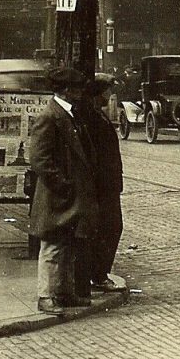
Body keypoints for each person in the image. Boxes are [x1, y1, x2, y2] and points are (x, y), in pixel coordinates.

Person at [29, 67, 98, 315]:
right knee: (52, 245)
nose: (80, 94)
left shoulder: (67, 114)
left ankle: (64, 292)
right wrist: (63, 185)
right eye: (77, 89)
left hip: (68, 195)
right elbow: (39, 159)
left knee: (67, 244)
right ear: (66, 91)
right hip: (57, 196)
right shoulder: (50, 117)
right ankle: (46, 296)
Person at [78, 76, 124, 293]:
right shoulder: (93, 116)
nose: (110, 95)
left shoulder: (96, 114)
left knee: (109, 228)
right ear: (99, 93)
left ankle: (97, 273)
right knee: (110, 227)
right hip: (102, 185)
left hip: (107, 184)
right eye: (107, 91)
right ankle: (98, 275)